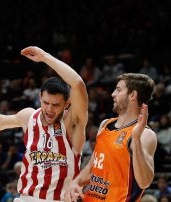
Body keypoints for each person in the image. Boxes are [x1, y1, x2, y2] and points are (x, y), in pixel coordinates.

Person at [0, 46, 88, 201]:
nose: (49, 109)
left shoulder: (72, 123)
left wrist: (45, 57)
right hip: (26, 198)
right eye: (46, 102)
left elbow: (78, 83)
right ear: (39, 97)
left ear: (67, 103)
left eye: (56, 105)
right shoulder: (29, 116)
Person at [64, 73, 157, 202]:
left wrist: (136, 139)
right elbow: (92, 167)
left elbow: (144, 182)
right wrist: (76, 182)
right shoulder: (105, 124)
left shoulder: (145, 135)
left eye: (118, 90)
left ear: (133, 95)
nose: (113, 94)